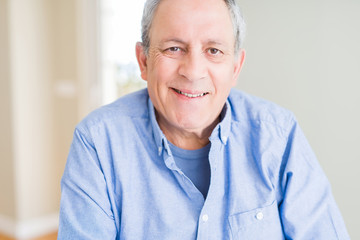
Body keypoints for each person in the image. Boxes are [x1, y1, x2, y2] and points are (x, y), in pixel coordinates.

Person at [58, 0, 350, 239]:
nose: (193, 71)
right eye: (174, 48)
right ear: (144, 61)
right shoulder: (96, 143)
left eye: (214, 50)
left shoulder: (280, 135)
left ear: (235, 68)